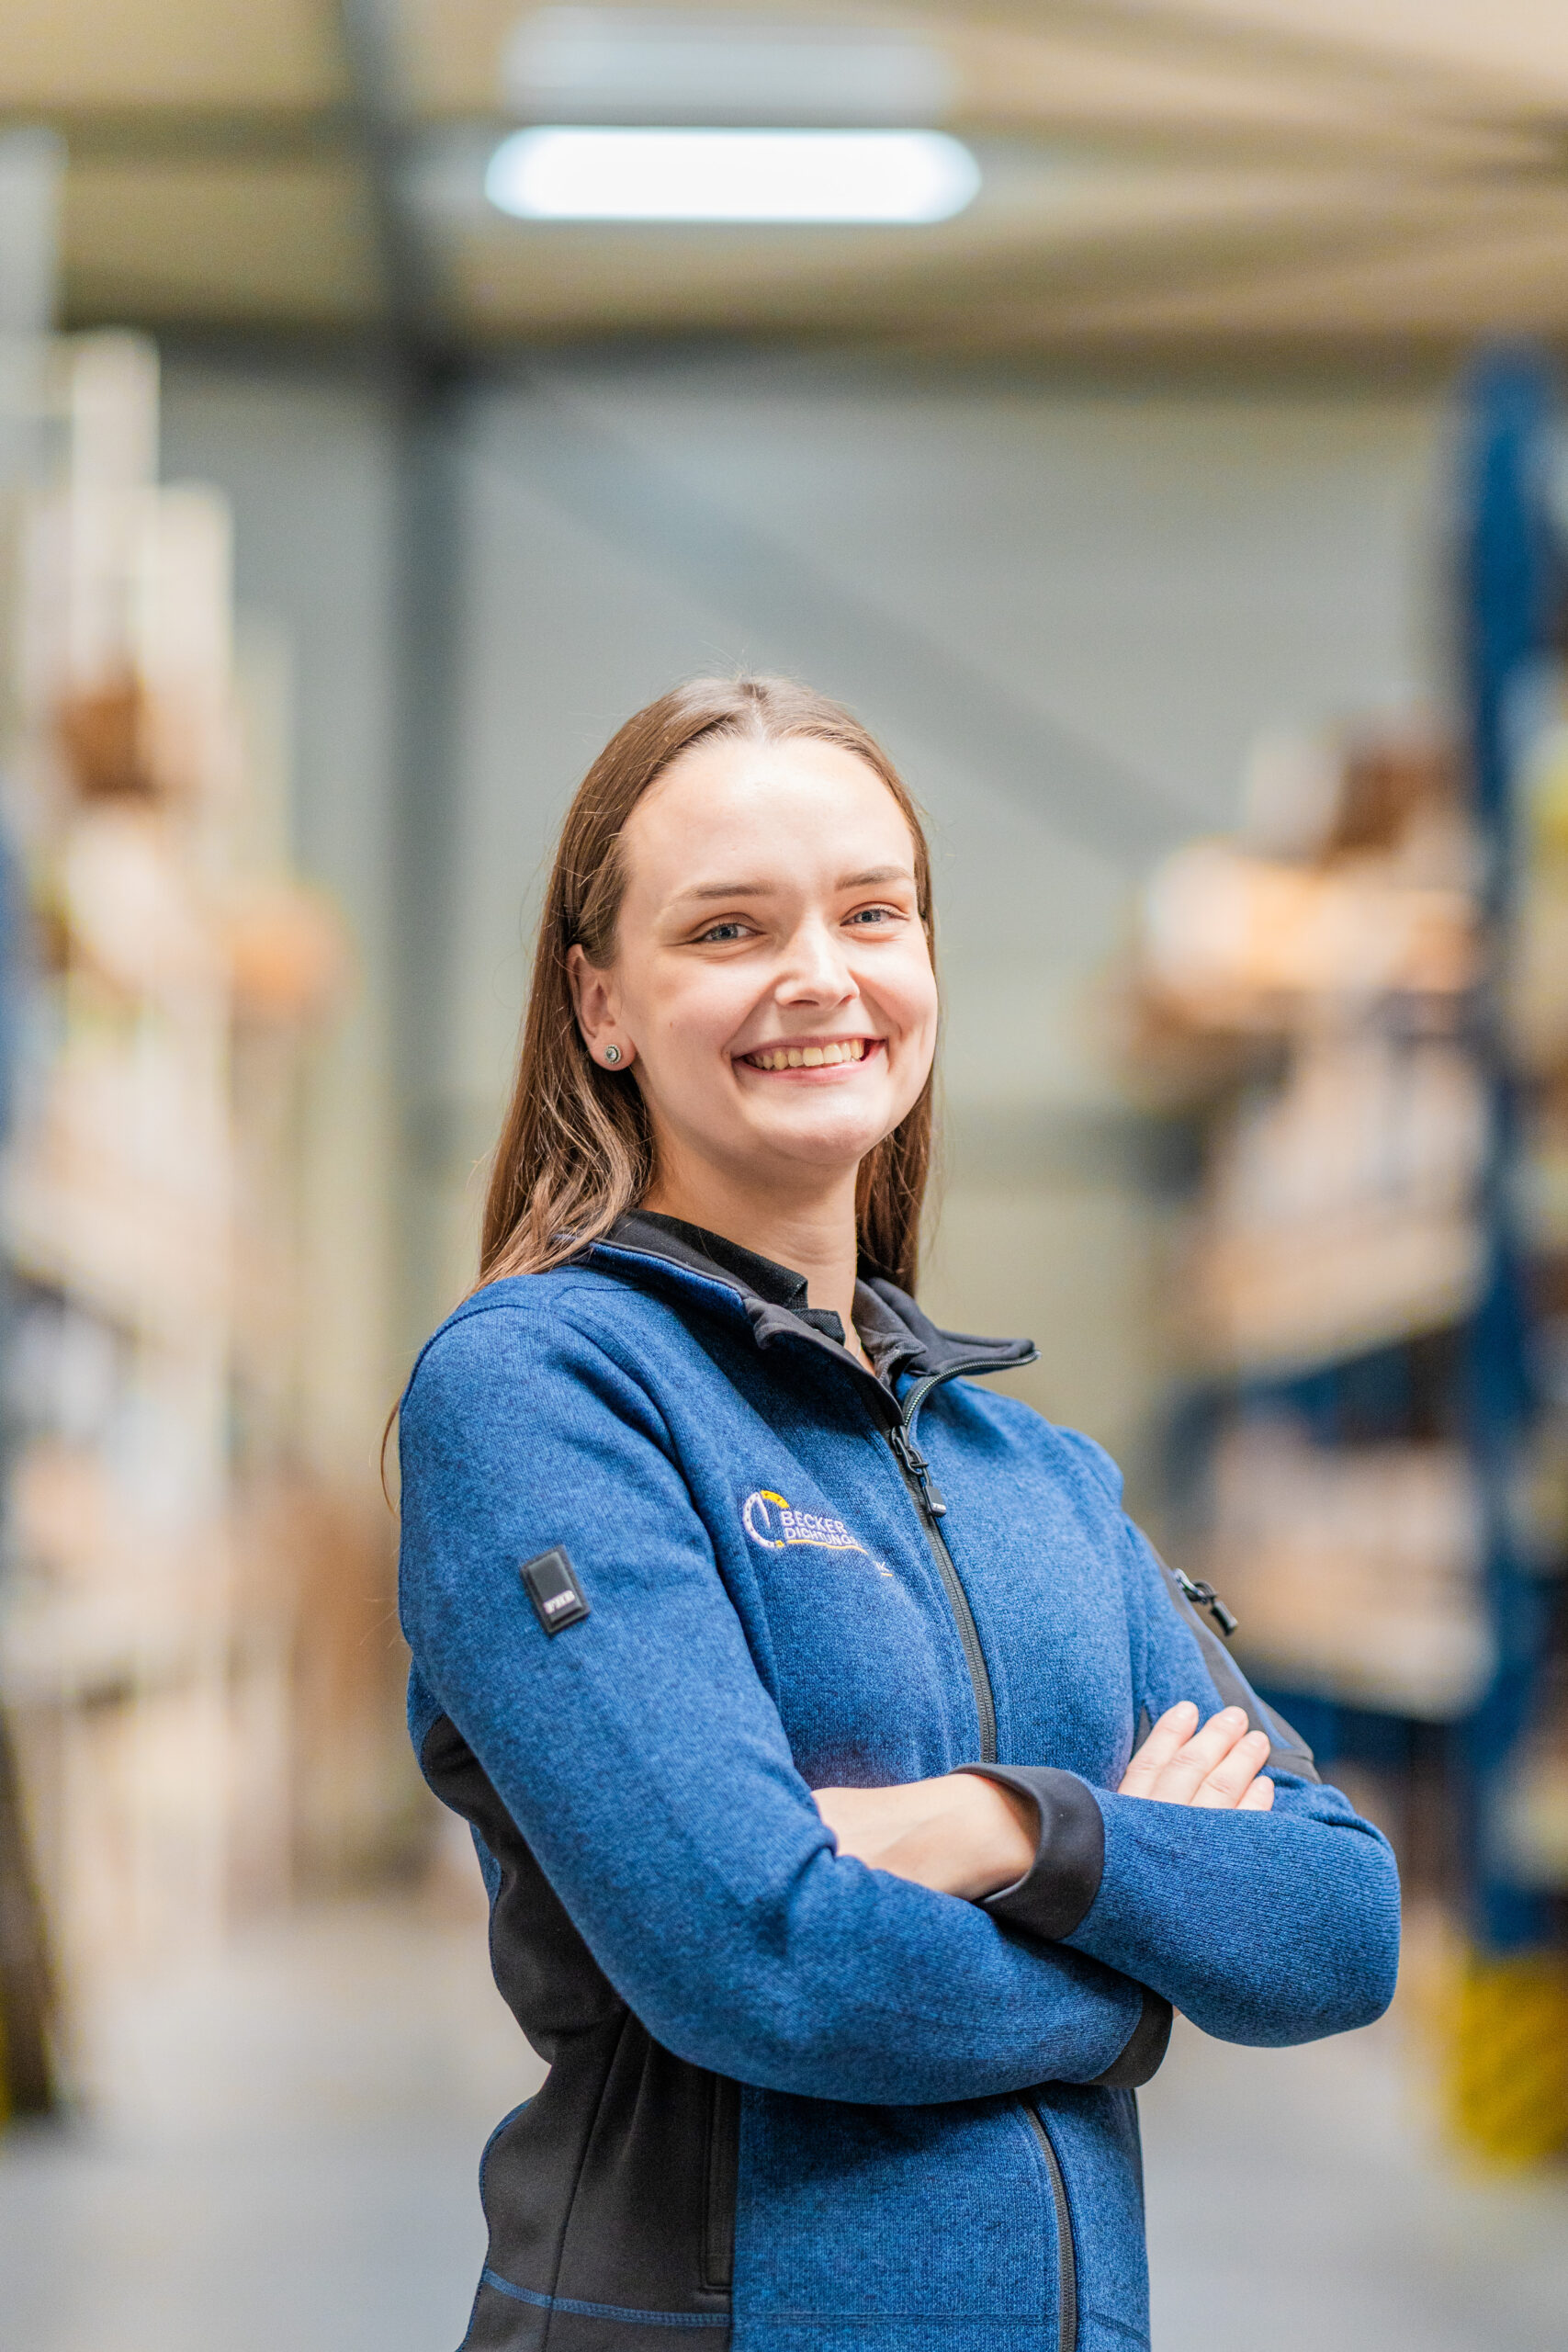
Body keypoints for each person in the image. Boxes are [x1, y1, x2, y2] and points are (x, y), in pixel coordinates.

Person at [398, 676, 1399, 2352]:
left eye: (872, 912)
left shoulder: (1037, 1477)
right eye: (728, 928)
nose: (819, 976)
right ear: (601, 1004)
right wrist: (1147, 1956)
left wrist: (1007, 1831)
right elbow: (762, 1952)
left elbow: (1336, 1920)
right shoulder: (542, 1391)